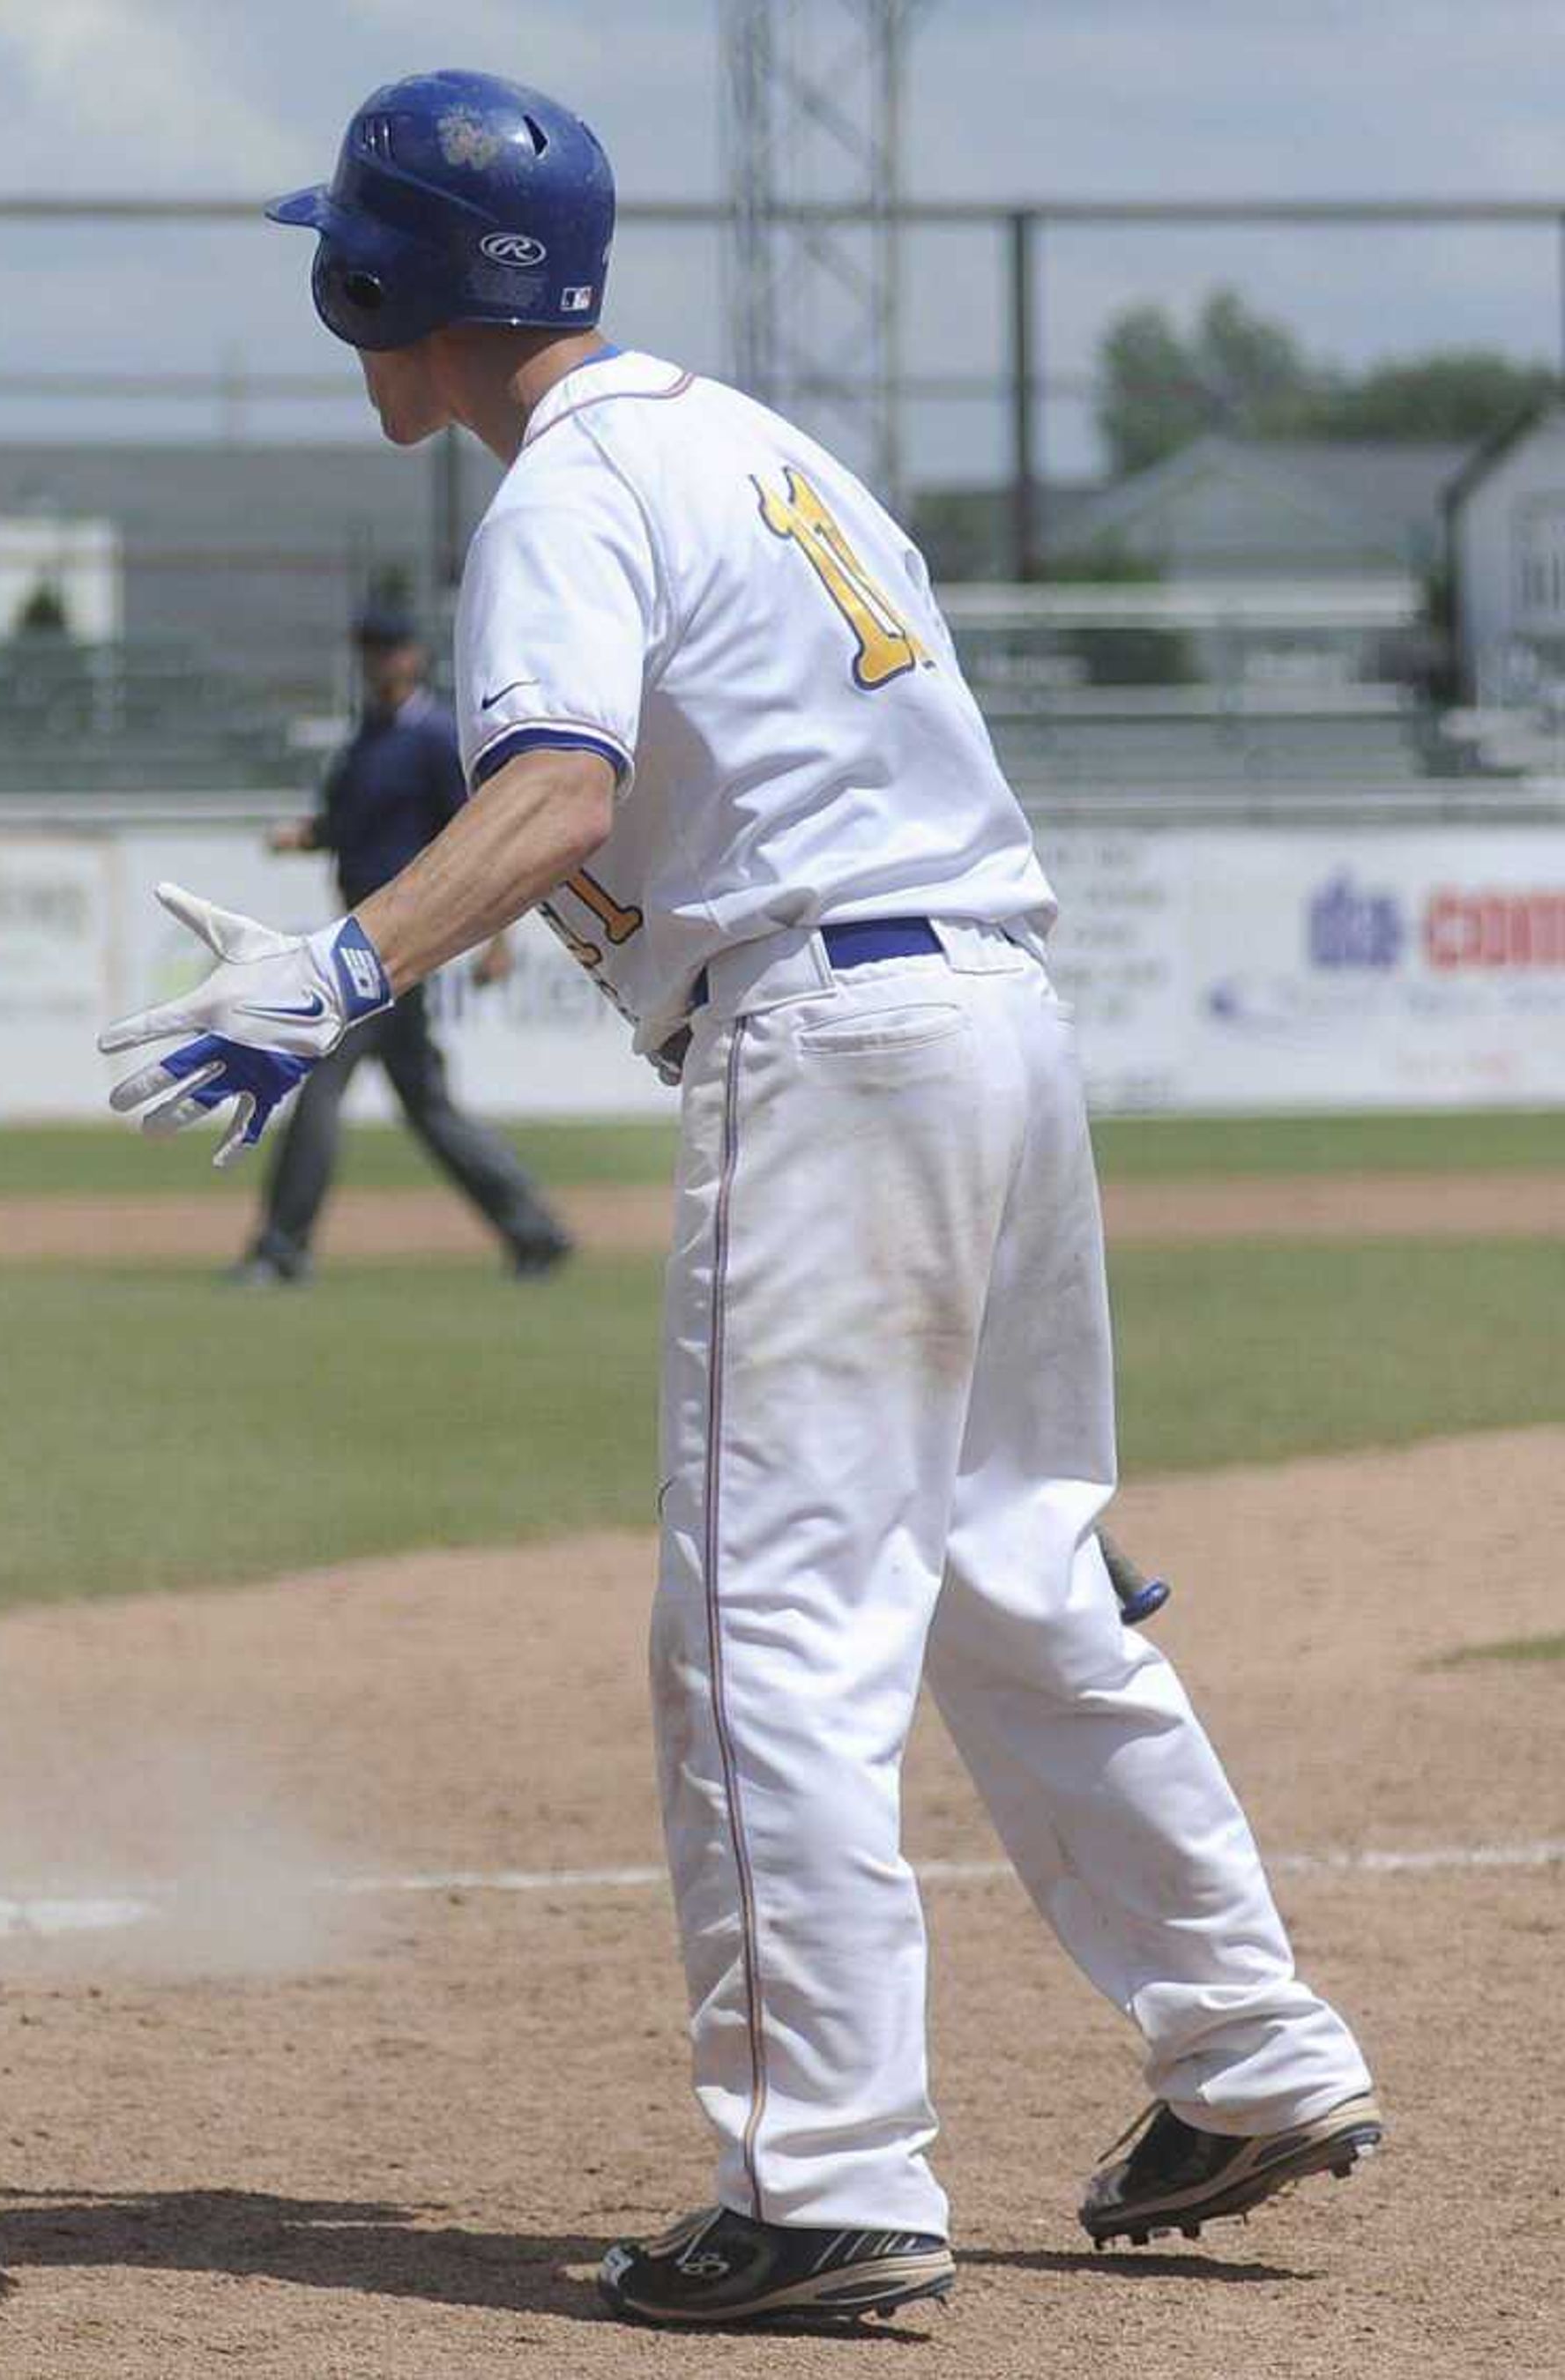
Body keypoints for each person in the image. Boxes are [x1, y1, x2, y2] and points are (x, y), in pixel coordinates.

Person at [104, 71, 1376, 2329]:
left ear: (373, 289)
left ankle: (821, 2179)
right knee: (1011, 1573)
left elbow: (561, 783)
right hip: (981, 1014)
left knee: (764, 1624)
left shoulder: (566, 493)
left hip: (834, 1038)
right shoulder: (750, 442)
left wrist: (338, 961)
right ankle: (1251, 2048)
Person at [230, 600, 570, 1284]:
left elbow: (483, 838)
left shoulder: (432, 739)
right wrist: (309, 836)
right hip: (364, 942)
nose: (378, 661)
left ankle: (282, 1248)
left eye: (389, 649)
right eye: (369, 650)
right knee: (426, 1104)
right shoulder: (367, 742)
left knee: (320, 1081)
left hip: (389, 952)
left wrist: (497, 938)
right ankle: (532, 1230)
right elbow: (351, 826)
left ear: (414, 656)